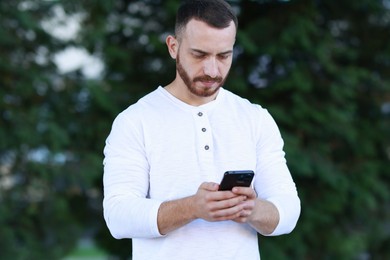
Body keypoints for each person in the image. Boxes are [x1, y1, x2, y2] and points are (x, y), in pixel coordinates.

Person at [103, 0, 300, 259]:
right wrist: (193, 208)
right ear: (173, 47)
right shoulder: (135, 121)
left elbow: (288, 210)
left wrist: (251, 210)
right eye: (199, 55)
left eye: (223, 56)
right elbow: (118, 216)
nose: (212, 70)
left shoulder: (255, 118)